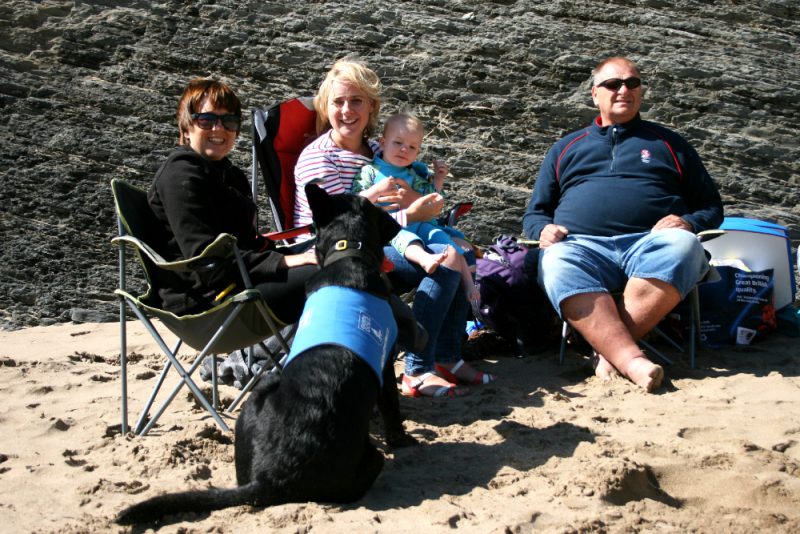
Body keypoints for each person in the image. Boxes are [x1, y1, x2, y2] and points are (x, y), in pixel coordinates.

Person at [294, 59, 494, 397]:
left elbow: (411, 192)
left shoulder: (378, 149)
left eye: (356, 101)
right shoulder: (320, 158)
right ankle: (417, 369)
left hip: (380, 240)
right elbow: (336, 228)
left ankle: (447, 355)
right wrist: (409, 215)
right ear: (326, 107)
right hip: (334, 253)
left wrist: (423, 205)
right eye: (338, 101)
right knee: (445, 261)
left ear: (371, 106)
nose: (347, 110)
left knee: (461, 254)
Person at [522, 56, 723, 392]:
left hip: (650, 244)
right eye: (613, 84)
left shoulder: (670, 144)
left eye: (632, 83)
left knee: (685, 245)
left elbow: (711, 207)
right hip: (582, 248)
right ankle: (632, 361)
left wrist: (688, 222)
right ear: (594, 94)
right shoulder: (565, 148)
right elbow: (535, 213)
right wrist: (543, 230)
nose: (623, 90)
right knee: (554, 259)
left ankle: (611, 353)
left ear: (641, 92)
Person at [147, 78, 317, 324]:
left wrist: (294, 254)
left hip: (242, 280)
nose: (219, 129)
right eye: (206, 119)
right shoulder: (180, 176)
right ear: (186, 127)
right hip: (210, 301)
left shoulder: (228, 175)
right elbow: (207, 263)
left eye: (229, 121)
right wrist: (283, 261)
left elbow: (246, 243)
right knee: (334, 273)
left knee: (343, 255)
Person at [352, 112, 479, 305]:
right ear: (383, 142)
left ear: (417, 152)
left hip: (421, 223)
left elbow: (433, 200)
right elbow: (356, 200)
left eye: (412, 147)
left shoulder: (413, 175)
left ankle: (470, 284)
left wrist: (438, 179)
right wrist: (377, 189)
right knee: (405, 238)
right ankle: (424, 259)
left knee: (448, 243)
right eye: (398, 143)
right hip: (394, 225)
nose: (404, 149)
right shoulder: (370, 171)